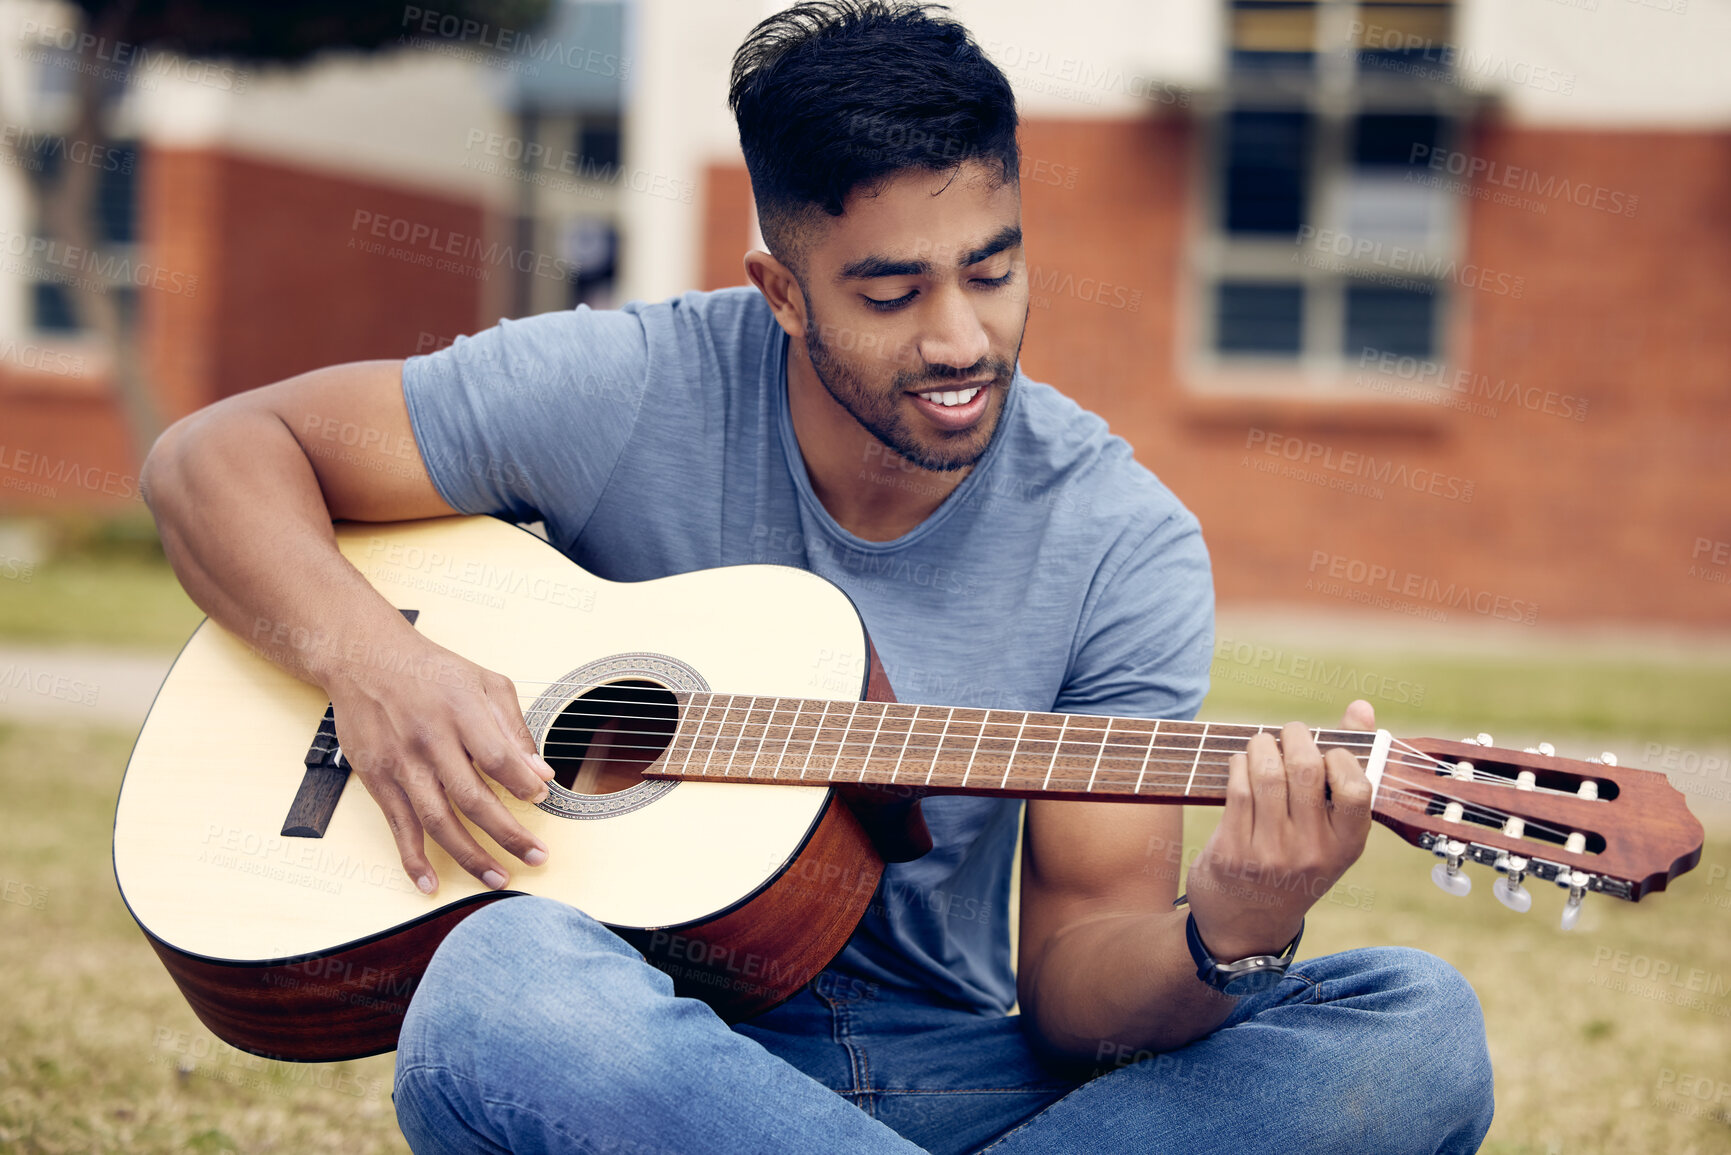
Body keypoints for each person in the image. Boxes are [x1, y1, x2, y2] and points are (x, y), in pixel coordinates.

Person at [141, 2, 1494, 1151]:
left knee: (1418, 1031)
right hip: (640, 1058)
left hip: (964, 1079)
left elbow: (1080, 991)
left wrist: (1230, 928)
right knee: (496, 988)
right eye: (892, 294)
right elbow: (214, 459)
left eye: (995, 269)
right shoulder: (629, 383)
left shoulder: (1117, 535)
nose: (961, 337)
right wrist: (377, 663)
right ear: (781, 292)